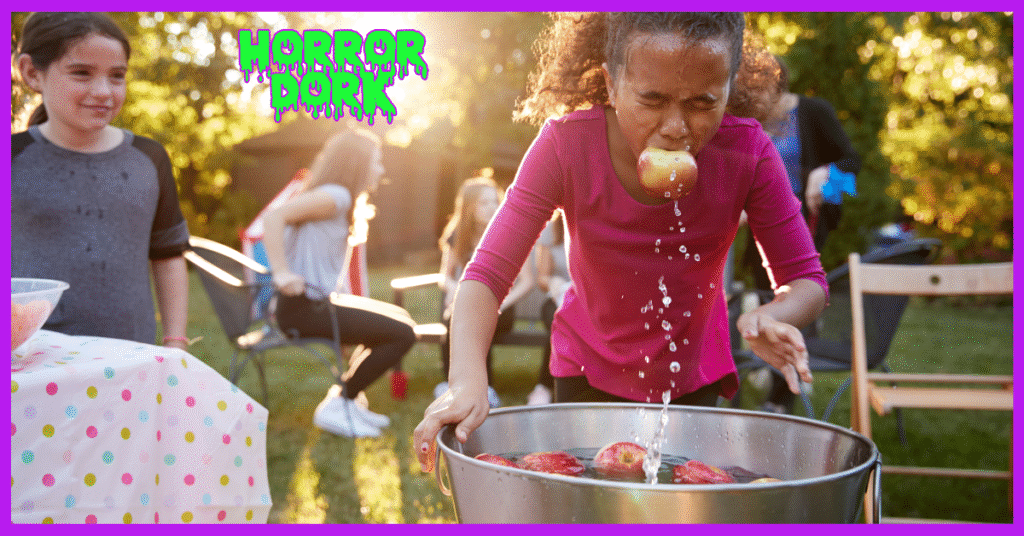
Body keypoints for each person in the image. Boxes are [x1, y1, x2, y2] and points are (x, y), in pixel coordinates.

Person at [414, 12, 828, 469]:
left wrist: (772, 314)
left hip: (694, 380)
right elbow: (486, 276)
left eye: (703, 102)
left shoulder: (748, 153)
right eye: (651, 99)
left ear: (730, 86)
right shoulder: (566, 145)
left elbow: (807, 280)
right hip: (586, 376)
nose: (676, 126)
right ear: (611, 84)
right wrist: (467, 378)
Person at [11, 12, 190, 351]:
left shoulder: (148, 158)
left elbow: (168, 255)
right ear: (32, 73)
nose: (103, 91)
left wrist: (176, 341)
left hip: (129, 360)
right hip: (26, 364)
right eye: (81, 73)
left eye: (117, 76)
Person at [261, 129, 417, 438]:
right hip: (303, 307)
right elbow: (272, 218)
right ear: (357, 164)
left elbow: (333, 268)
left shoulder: (342, 199)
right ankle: (340, 401)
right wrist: (280, 272)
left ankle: (347, 401)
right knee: (403, 334)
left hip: (317, 303)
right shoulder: (337, 195)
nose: (381, 170)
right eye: (376, 162)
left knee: (398, 322)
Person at [742, 55, 862, 414]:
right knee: (766, 305)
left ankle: (780, 399)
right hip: (762, 233)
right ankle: (768, 379)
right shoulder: (751, 121)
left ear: (779, 83)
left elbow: (852, 164)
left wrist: (824, 175)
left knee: (796, 304)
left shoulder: (813, 112)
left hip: (807, 228)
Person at [434, 175, 536, 408]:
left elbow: (527, 282)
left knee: (475, 317)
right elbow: (444, 276)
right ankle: (452, 386)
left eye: (494, 201)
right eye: (484, 202)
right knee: (457, 315)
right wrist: (455, 290)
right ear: (469, 207)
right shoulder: (457, 234)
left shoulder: (510, 234)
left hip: (501, 307)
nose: (492, 207)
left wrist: (500, 302)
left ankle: (482, 388)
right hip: (465, 304)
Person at [527, 211, 571, 405]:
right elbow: (542, 278)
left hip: (587, 301)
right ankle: (544, 386)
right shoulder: (552, 231)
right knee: (560, 321)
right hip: (556, 298)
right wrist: (557, 284)